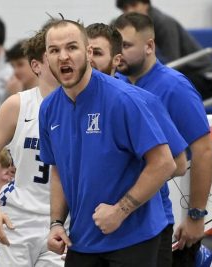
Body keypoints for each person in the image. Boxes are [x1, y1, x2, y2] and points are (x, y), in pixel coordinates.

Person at [39, 18, 177, 267]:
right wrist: (56, 223)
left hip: (133, 238)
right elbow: (58, 170)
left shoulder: (123, 99)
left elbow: (166, 163)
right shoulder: (48, 109)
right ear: (46, 58)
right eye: (54, 50)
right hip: (81, 240)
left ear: (88, 52)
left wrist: (120, 211)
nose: (63, 57)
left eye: (72, 47)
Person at [113, 13, 212, 267]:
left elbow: (203, 151)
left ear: (149, 46)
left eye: (126, 45)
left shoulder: (175, 87)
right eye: (116, 46)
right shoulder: (116, 84)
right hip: (127, 217)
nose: (119, 53)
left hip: (165, 218)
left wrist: (196, 216)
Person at [0, 28, 62, 267]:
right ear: (37, 65)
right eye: (53, 52)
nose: (62, 58)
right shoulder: (18, 105)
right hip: (18, 220)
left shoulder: (82, 105)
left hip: (62, 223)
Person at [86, 22, 187, 174]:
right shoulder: (73, 101)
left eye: (98, 53)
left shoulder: (143, 100)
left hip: (139, 198)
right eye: (87, 52)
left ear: (116, 60)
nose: (89, 59)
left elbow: (179, 164)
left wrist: (131, 190)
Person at [115, 0, 212, 100]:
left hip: (203, 77)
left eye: (134, 5)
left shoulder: (164, 23)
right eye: (125, 8)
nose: (129, 11)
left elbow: (173, 62)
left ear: (146, 4)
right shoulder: (121, 26)